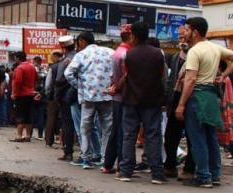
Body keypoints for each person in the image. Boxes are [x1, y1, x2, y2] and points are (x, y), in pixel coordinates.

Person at [176, 17, 233, 188]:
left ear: (195, 32)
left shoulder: (195, 52)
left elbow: (190, 80)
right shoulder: (214, 48)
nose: (184, 33)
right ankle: (215, 174)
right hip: (211, 96)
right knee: (211, 137)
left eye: (187, 30)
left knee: (198, 138)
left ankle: (203, 176)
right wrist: (223, 76)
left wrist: (181, 104)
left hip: (197, 96)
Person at [115, 22, 168, 184]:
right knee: (153, 135)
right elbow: (163, 78)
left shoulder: (128, 55)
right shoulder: (158, 54)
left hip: (131, 99)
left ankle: (125, 172)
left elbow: (126, 76)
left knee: (129, 135)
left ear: (133, 36)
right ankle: (157, 174)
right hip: (152, 100)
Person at [65, 31, 114, 169]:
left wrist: (80, 86)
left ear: (82, 42)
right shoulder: (110, 52)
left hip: (88, 96)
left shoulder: (81, 55)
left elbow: (68, 73)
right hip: (106, 96)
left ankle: (86, 159)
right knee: (107, 128)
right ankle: (105, 158)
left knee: (85, 128)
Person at [163, 28, 196, 179]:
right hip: (175, 99)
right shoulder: (176, 57)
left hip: (192, 99)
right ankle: (170, 166)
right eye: (180, 38)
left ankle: (190, 168)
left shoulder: (198, 54)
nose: (182, 41)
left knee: (192, 136)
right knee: (171, 136)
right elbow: (171, 81)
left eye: (184, 37)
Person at [103, 24, 132, 174]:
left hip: (117, 97)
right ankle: (122, 164)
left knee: (116, 131)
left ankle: (108, 163)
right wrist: (117, 87)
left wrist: (113, 87)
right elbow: (126, 76)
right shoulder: (126, 54)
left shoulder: (117, 52)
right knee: (123, 132)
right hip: (122, 97)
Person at [54, 36, 78, 161]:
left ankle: (68, 151)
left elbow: (59, 80)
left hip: (67, 96)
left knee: (68, 124)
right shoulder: (79, 56)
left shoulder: (67, 60)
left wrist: (57, 95)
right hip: (79, 95)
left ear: (63, 47)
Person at [11, 51, 38, 142]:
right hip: (30, 94)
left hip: (21, 95)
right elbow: (36, 79)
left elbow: (18, 82)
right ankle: (28, 136)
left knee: (20, 115)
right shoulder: (32, 66)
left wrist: (15, 93)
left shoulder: (20, 68)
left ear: (18, 58)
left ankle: (19, 136)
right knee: (29, 115)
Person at [45, 51, 63, 147]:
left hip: (53, 96)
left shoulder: (53, 67)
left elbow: (48, 84)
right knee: (65, 119)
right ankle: (65, 141)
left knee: (51, 118)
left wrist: (48, 94)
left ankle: (49, 140)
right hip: (65, 96)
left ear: (56, 56)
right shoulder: (66, 64)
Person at [33, 56, 47, 140]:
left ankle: (29, 134)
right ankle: (40, 135)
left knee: (32, 113)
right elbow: (46, 84)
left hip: (33, 93)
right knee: (40, 114)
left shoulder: (33, 69)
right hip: (41, 94)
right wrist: (42, 93)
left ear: (35, 61)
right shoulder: (45, 71)